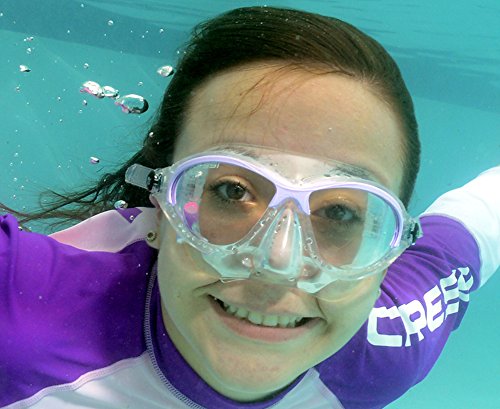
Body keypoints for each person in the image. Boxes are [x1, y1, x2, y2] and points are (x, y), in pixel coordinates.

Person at [1, 6, 498, 409]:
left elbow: (479, 216)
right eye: (232, 191)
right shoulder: (21, 308)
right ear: (160, 201)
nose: (278, 266)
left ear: (388, 249)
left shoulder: (383, 349)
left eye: (340, 212)